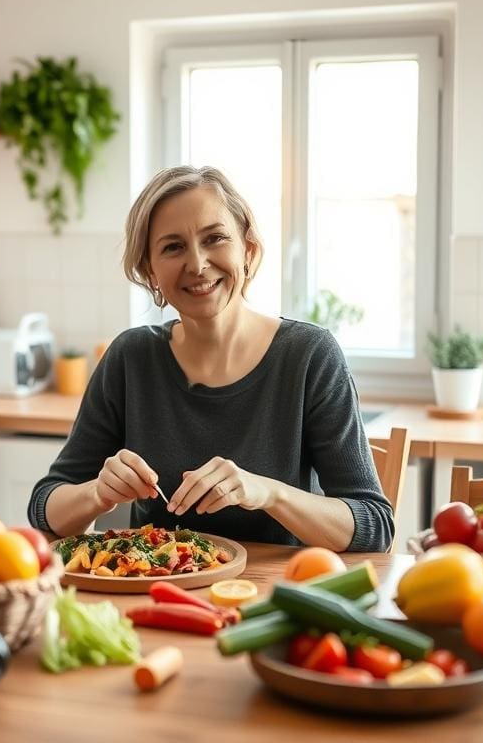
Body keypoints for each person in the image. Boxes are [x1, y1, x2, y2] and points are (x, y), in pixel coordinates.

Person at [28, 166, 393, 551]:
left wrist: (269, 492)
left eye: (215, 238)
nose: (198, 264)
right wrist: (98, 494)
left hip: (276, 599)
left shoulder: (309, 356)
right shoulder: (130, 358)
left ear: (247, 249)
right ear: (151, 271)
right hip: (159, 598)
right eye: (172, 247)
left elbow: (374, 526)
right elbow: (43, 506)